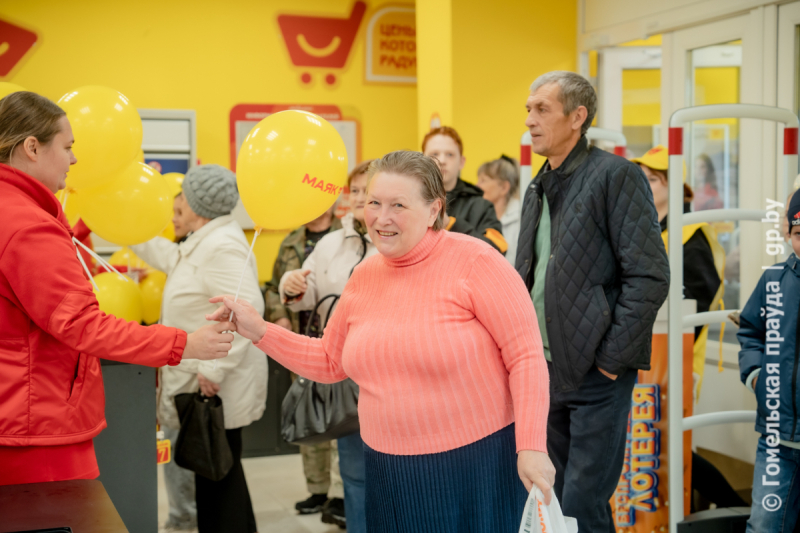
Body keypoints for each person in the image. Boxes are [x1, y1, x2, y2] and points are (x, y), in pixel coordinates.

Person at [208, 150, 553, 533]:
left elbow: (525, 357)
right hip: (388, 466)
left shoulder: (476, 261)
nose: (381, 218)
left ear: (433, 208)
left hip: (477, 461)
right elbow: (329, 360)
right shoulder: (365, 275)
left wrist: (532, 446)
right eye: (373, 202)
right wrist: (258, 329)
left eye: (398, 205)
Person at [0, 91, 234, 486]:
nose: (74, 159)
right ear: (32, 148)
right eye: (68, 146)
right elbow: (82, 325)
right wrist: (183, 344)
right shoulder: (27, 225)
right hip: (36, 420)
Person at [516, 71, 670, 532]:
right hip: (543, 373)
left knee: (583, 505)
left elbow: (649, 275)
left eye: (542, 109)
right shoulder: (539, 185)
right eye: (528, 109)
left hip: (596, 376)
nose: (529, 120)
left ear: (577, 117)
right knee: (550, 502)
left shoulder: (615, 176)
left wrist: (610, 360)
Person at [132, 165, 266, 533]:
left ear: (198, 205)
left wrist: (213, 371)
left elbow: (247, 312)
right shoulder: (205, 239)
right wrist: (127, 233)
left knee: (220, 480)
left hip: (215, 385)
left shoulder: (221, 246)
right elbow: (171, 259)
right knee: (215, 480)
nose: (178, 201)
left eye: (184, 197)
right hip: (204, 380)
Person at [633, 145, 747, 511]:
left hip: (677, 357)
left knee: (669, 444)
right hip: (644, 354)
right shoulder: (647, 227)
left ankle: (733, 509)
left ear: (673, 184)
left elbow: (701, 296)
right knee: (655, 443)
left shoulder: (691, 232)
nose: (645, 185)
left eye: (652, 178)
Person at [279, 160, 377, 533]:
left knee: (390, 468)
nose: (360, 197)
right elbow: (309, 295)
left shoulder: (400, 239)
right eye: (355, 190)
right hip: (344, 369)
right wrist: (294, 287)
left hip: (388, 373)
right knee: (353, 471)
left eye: (368, 189)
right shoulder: (331, 244)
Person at [266, 205, 344, 519]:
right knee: (310, 417)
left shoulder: (347, 234)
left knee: (341, 420)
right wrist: (280, 315)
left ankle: (339, 494)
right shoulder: (290, 242)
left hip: (337, 346)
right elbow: (274, 288)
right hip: (301, 346)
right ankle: (317, 489)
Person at [738, 190, 800, 533]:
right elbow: (750, 332)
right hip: (776, 441)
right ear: (788, 234)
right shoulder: (773, 281)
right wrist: (756, 376)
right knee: (764, 525)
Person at [422, 126, 507, 254]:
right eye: (434, 154)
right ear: (422, 160)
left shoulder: (481, 206)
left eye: (450, 155)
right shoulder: (408, 200)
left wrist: (451, 224)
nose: (442, 161)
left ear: (461, 162)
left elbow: (497, 251)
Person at [477, 155, 521, 265]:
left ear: (504, 187)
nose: (476, 186)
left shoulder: (521, 219)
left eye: (483, 181)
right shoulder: (479, 214)